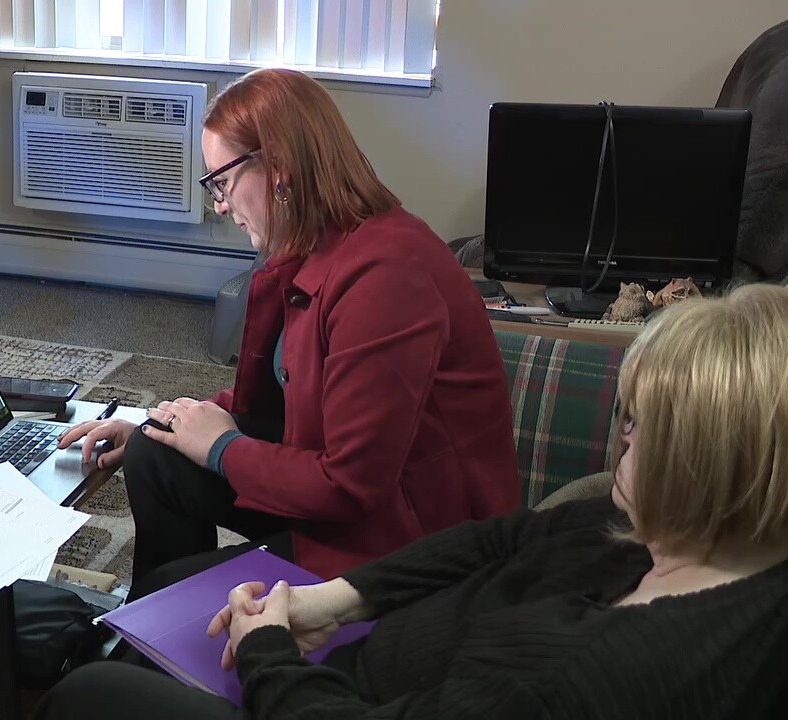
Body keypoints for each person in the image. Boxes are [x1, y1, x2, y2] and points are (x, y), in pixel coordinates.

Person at [36, 284, 788, 720]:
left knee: (91, 696)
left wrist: (270, 653)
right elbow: (505, 540)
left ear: (726, 465)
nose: (619, 437)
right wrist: (331, 603)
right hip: (355, 650)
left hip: (334, 698)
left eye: (644, 427)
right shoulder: (733, 534)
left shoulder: (586, 675)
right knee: (135, 616)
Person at [58, 68, 519, 586]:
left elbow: (349, 486)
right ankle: (157, 640)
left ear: (277, 167)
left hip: (413, 546)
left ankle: (167, 631)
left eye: (223, 182)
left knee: (175, 585)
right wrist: (163, 423)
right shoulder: (319, 245)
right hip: (365, 506)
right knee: (153, 452)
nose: (221, 205)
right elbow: (282, 395)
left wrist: (221, 448)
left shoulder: (386, 278)